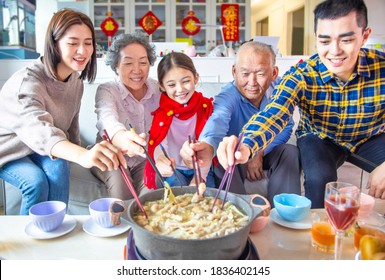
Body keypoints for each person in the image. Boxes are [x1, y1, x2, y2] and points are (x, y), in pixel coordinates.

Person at [216, 0, 385, 208]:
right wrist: (247, 144)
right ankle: (316, 235)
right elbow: (274, 113)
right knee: (318, 179)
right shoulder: (302, 74)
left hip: (370, 137)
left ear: (364, 36)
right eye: (324, 41)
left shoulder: (381, 68)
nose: (334, 51)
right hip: (320, 137)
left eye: (346, 40)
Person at [0, 9, 126, 215]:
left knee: (60, 168)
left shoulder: (75, 80)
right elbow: (40, 133)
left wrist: (78, 150)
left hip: (44, 150)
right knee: (36, 182)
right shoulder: (27, 83)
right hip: (11, 150)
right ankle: (29, 241)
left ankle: (57, 226)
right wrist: (83, 155)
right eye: (73, 43)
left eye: (88, 43)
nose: (83, 51)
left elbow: (71, 123)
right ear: (54, 44)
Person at [180, 41, 301, 205]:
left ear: (273, 73)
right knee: (224, 156)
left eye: (260, 73)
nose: (252, 82)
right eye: (245, 73)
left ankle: (284, 212)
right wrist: (207, 145)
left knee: (290, 152)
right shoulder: (228, 96)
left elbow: (286, 127)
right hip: (237, 156)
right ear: (234, 72)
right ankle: (240, 212)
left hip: (268, 150)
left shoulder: (281, 91)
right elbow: (217, 120)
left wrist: (258, 152)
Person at [91, 32, 160, 200]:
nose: (137, 70)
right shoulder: (107, 90)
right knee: (123, 195)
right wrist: (122, 137)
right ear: (116, 66)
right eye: (128, 63)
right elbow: (107, 118)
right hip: (111, 154)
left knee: (151, 197)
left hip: (144, 157)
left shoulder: (158, 89)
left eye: (143, 62)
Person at [144, 52, 214, 190]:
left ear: (196, 78)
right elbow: (159, 145)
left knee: (208, 200)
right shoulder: (161, 115)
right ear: (162, 86)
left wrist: (198, 179)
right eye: (171, 85)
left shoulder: (207, 108)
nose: (180, 89)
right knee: (177, 201)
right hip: (175, 170)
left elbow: (210, 145)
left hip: (202, 168)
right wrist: (161, 161)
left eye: (186, 81)